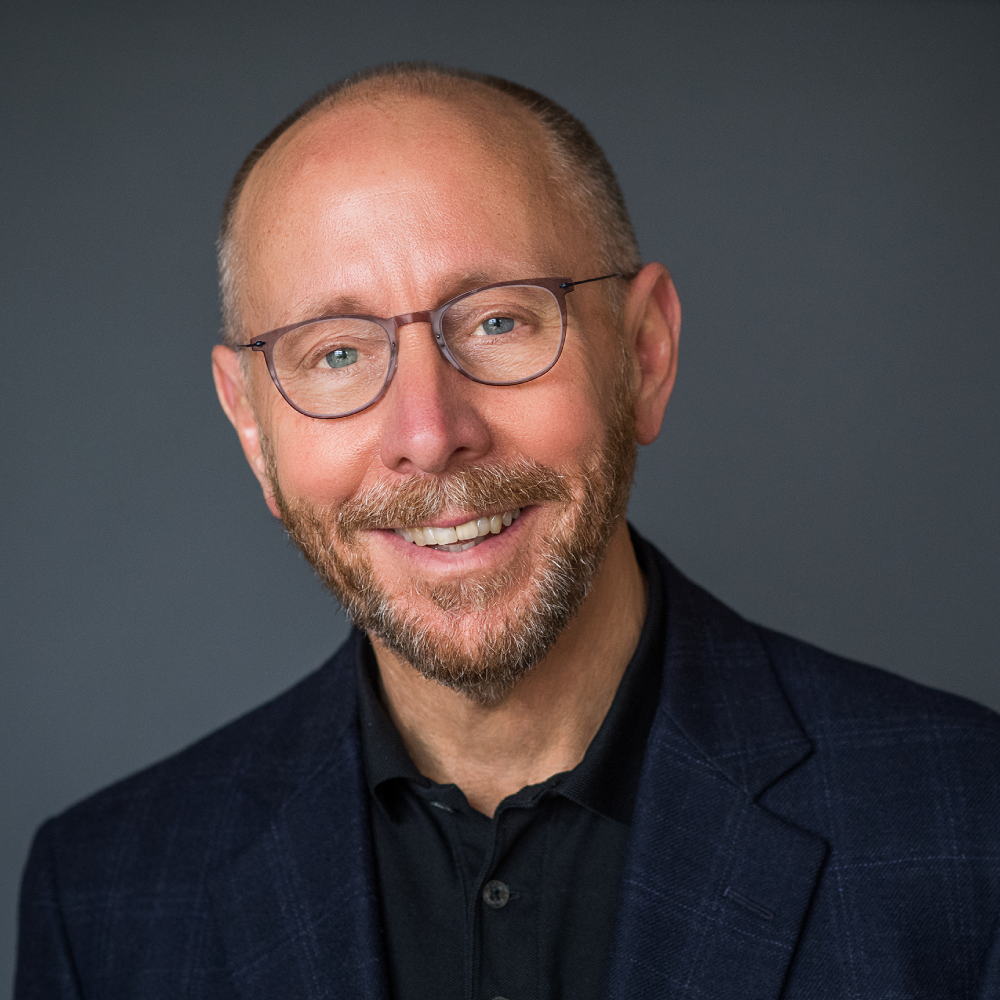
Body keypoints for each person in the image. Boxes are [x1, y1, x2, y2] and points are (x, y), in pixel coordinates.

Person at [15, 63, 1000, 1000]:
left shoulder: (968, 824)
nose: (431, 435)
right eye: (337, 351)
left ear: (645, 353)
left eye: (496, 323)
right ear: (251, 427)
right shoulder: (100, 897)